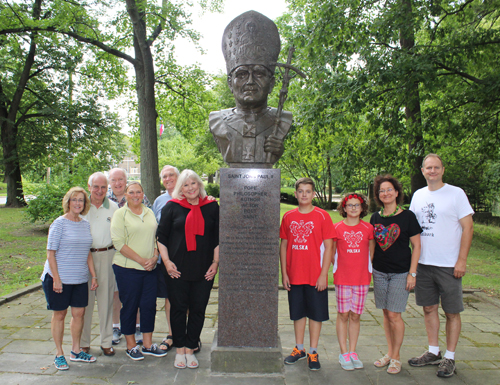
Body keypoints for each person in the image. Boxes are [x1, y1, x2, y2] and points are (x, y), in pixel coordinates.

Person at [408, 154, 474, 378]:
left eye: (436, 167)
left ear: (443, 170)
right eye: (428, 168)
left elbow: (468, 228)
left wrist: (462, 260)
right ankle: (433, 351)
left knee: (452, 312)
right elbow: (413, 230)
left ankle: (450, 357)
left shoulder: (456, 194)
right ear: (423, 170)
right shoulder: (418, 196)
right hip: (424, 263)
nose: (432, 171)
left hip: (449, 265)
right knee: (428, 308)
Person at [209, 10, 292, 168]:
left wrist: (278, 149)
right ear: (230, 83)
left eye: (259, 73)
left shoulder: (282, 120)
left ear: (272, 83)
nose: (250, 81)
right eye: (241, 74)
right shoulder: (216, 121)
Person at [157, 170, 219, 369]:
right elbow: (161, 238)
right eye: (186, 185)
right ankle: (180, 349)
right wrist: (166, 262)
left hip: (204, 270)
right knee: (178, 310)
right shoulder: (171, 208)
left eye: (194, 183)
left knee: (198, 310)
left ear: (199, 185)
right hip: (177, 270)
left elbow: (217, 238)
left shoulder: (211, 207)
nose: (191, 187)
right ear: (180, 188)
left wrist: (215, 263)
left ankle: (191, 348)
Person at [280, 177, 335, 371]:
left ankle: (313, 351)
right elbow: (284, 245)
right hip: (294, 274)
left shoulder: (322, 216)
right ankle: (299, 348)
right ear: (295, 194)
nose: (304, 194)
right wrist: (284, 273)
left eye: (308, 191)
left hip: (315, 275)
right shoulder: (288, 217)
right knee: (298, 313)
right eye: (300, 191)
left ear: (313, 194)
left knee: (316, 314)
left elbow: (329, 247)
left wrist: (323, 275)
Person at [41, 187, 98, 370]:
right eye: (74, 200)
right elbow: (51, 254)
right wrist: (57, 278)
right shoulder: (59, 223)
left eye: (81, 200)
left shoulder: (84, 224)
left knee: (79, 314)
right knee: (60, 314)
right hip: (59, 278)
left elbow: (87, 252)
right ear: (68, 202)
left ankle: (76, 350)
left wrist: (93, 275)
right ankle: (59, 354)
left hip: (80, 278)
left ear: (85, 203)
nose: (77, 203)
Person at [370, 176, 422, 374]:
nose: (386, 193)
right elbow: (372, 246)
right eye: (382, 191)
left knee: (394, 314)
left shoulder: (408, 217)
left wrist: (412, 273)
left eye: (389, 189)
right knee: (385, 313)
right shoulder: (375, 218)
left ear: (397, 192)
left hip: (401, 273)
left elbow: (416, 246)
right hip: (380, 272)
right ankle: (390, 353)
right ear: (378, 195)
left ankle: (397, 357)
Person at [110, 182, 166, 361]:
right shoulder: (120, 214)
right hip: (127, 269)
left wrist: (155, 256)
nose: (135, 195)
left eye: (139, 192)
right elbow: (119, 243)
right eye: (131, 192)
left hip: (150, 269)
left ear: (143, 194)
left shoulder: (149, 212)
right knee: (130, 306)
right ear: (126, 194)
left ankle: (148, 345)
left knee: (149, 306)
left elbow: (156, 238)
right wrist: (142, 261)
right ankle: (131, 345)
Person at [107, 167, 151, 345]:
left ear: (126, 181)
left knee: (136, 295)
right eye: (114, 180)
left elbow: (149, 223)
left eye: (121, 180)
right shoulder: (104, 199)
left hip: (137, 254)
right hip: (114, 253)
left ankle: (138, 326)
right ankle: (116, 326)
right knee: (116, 293)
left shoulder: (142, 199)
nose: (117, 183)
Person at [333, 193, 375, 371]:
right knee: (343, 314)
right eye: (349, 205)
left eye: (356, 205)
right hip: (343, 278)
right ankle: (343, 352)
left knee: (355, 316)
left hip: (361, 278)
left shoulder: (368, 228)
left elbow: (371, 252)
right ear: (343, 208)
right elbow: (331, 253)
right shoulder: (336, 228)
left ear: (362, 208)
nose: (353, 208)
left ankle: (352, 351)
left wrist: (365, 269)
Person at [80, 172, 119, 356]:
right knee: (84, 302)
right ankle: (83, 342)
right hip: (83, 258)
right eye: (96, 186)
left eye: (103, 187)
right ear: (89, 187)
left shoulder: (114, 207)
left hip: (107, 255)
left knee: (106, 301)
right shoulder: (80, 206)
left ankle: (106, 342)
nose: (99, 190)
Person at [152, 165, 179, 352]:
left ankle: (187, 333)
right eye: (164, 176)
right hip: (165, 257)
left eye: (171, 175)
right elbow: (154, 229)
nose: (168, 179)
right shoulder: (160, 201)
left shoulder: (190, 196)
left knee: (187, 298)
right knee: (169, 297)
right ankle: (172, 334)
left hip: (188, 257)